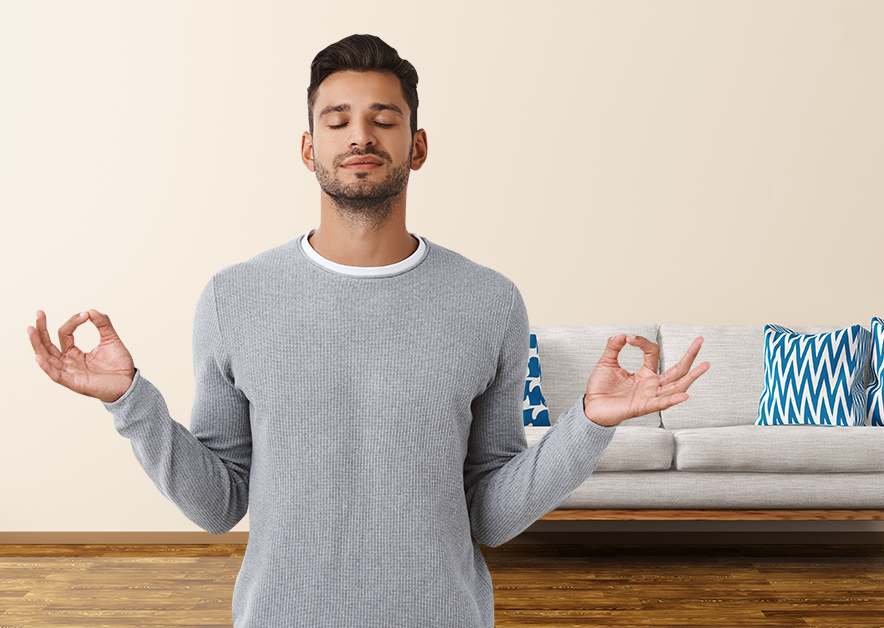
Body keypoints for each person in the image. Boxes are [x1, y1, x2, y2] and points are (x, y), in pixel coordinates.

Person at [26, 34, 709, 628]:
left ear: (417, 145)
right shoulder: (233, 297)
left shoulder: (489, 301)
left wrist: (588, 423)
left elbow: (491, 515)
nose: (361, 136)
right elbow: (218, 503)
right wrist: (130, 403)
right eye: (339, 119)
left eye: (383, 119)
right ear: (307, 147)